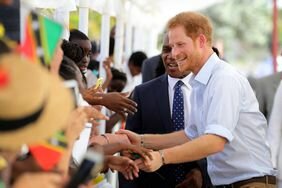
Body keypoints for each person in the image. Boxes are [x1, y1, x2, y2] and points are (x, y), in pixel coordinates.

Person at [117, 11, 276, 187]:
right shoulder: (201, 81)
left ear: (201, 41)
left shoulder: (223, 79)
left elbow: (215, 141)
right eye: (170, 46)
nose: (174, 53)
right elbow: (190, 135)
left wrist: (162, 157)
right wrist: (140, 140)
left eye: (180, 45)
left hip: (249, 183)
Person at [119, 33, 207, 188]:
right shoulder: (142, 93)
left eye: (179, 48)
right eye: (167, 49)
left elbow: (220, 144)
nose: (171, 55)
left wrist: (202, 173)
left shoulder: (211, 91)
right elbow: (129, 151)